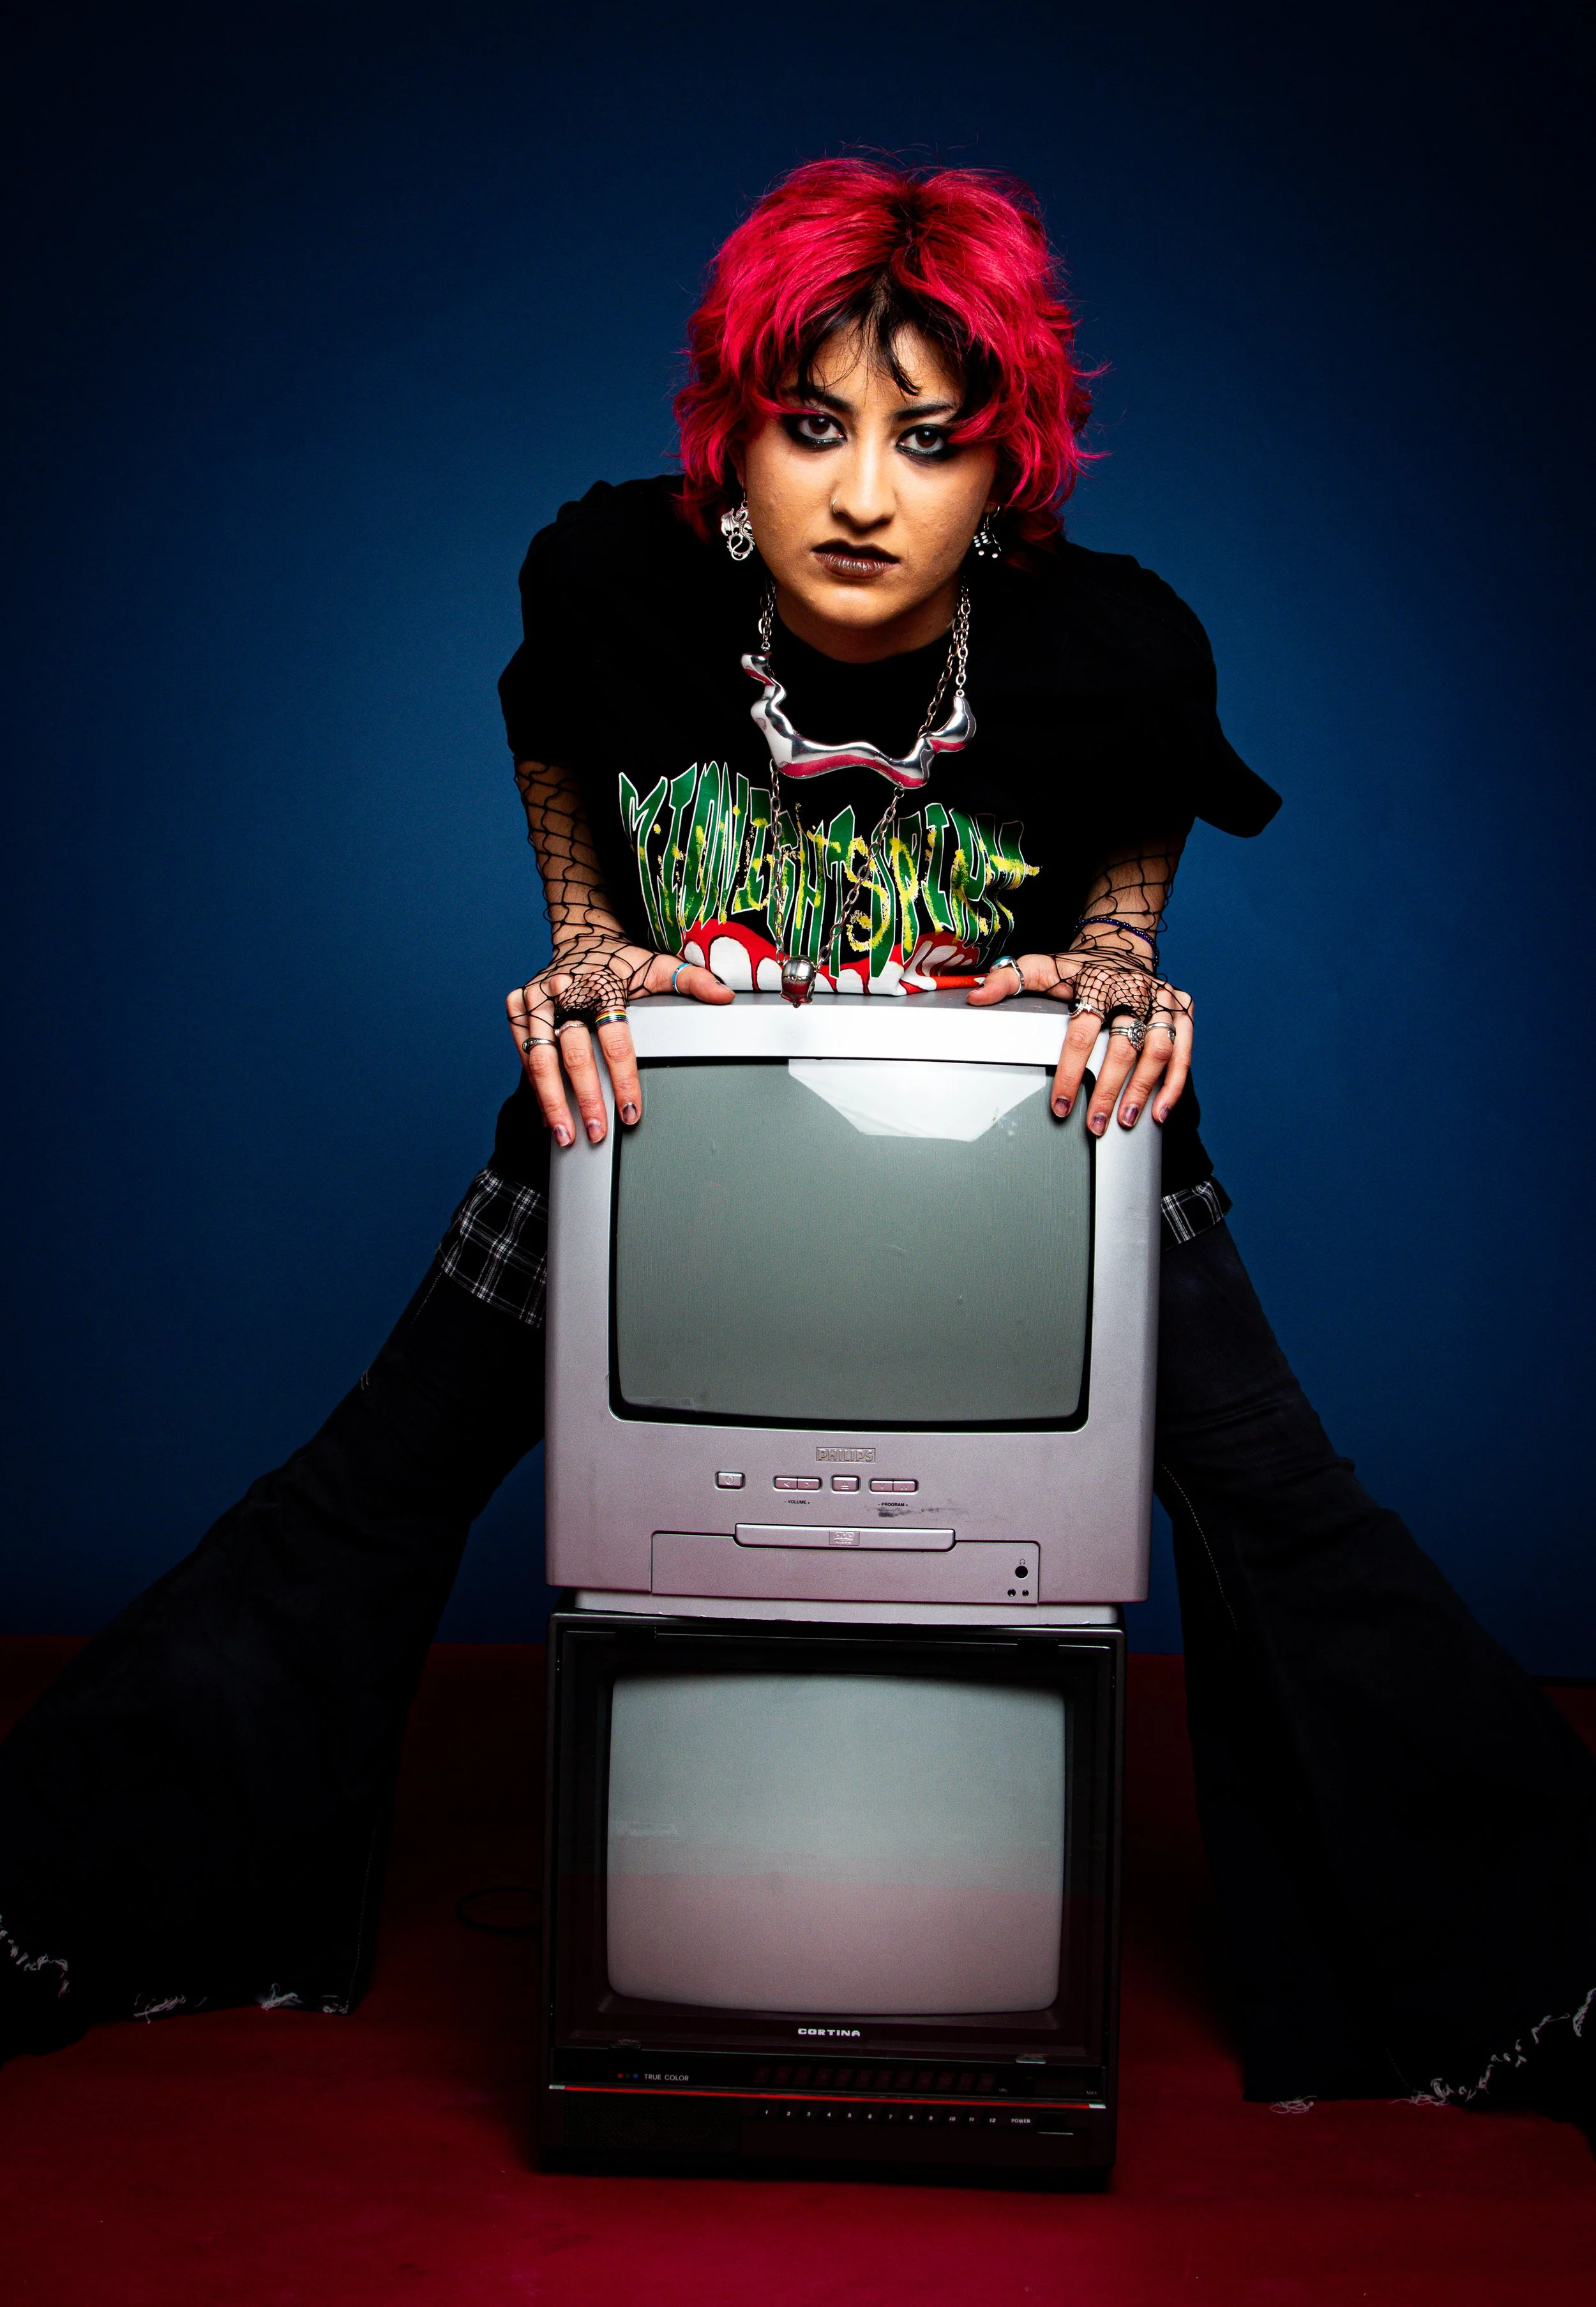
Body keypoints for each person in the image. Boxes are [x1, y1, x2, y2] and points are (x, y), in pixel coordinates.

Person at [2, 159, 1592, 2134]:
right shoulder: (609, 581)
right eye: (811, 427)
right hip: (648, 1143)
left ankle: (1541, 1985)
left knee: (1292, 1525)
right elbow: (552, 729)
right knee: (362, 1495)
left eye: (928, 442)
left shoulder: (1114, 644)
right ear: (730, 440)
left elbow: (1144, 815)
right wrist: (582, 941)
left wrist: (1117, 958)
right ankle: (50, 1914)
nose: (861, 495)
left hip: (1031, 1171)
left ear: (1003, 467)